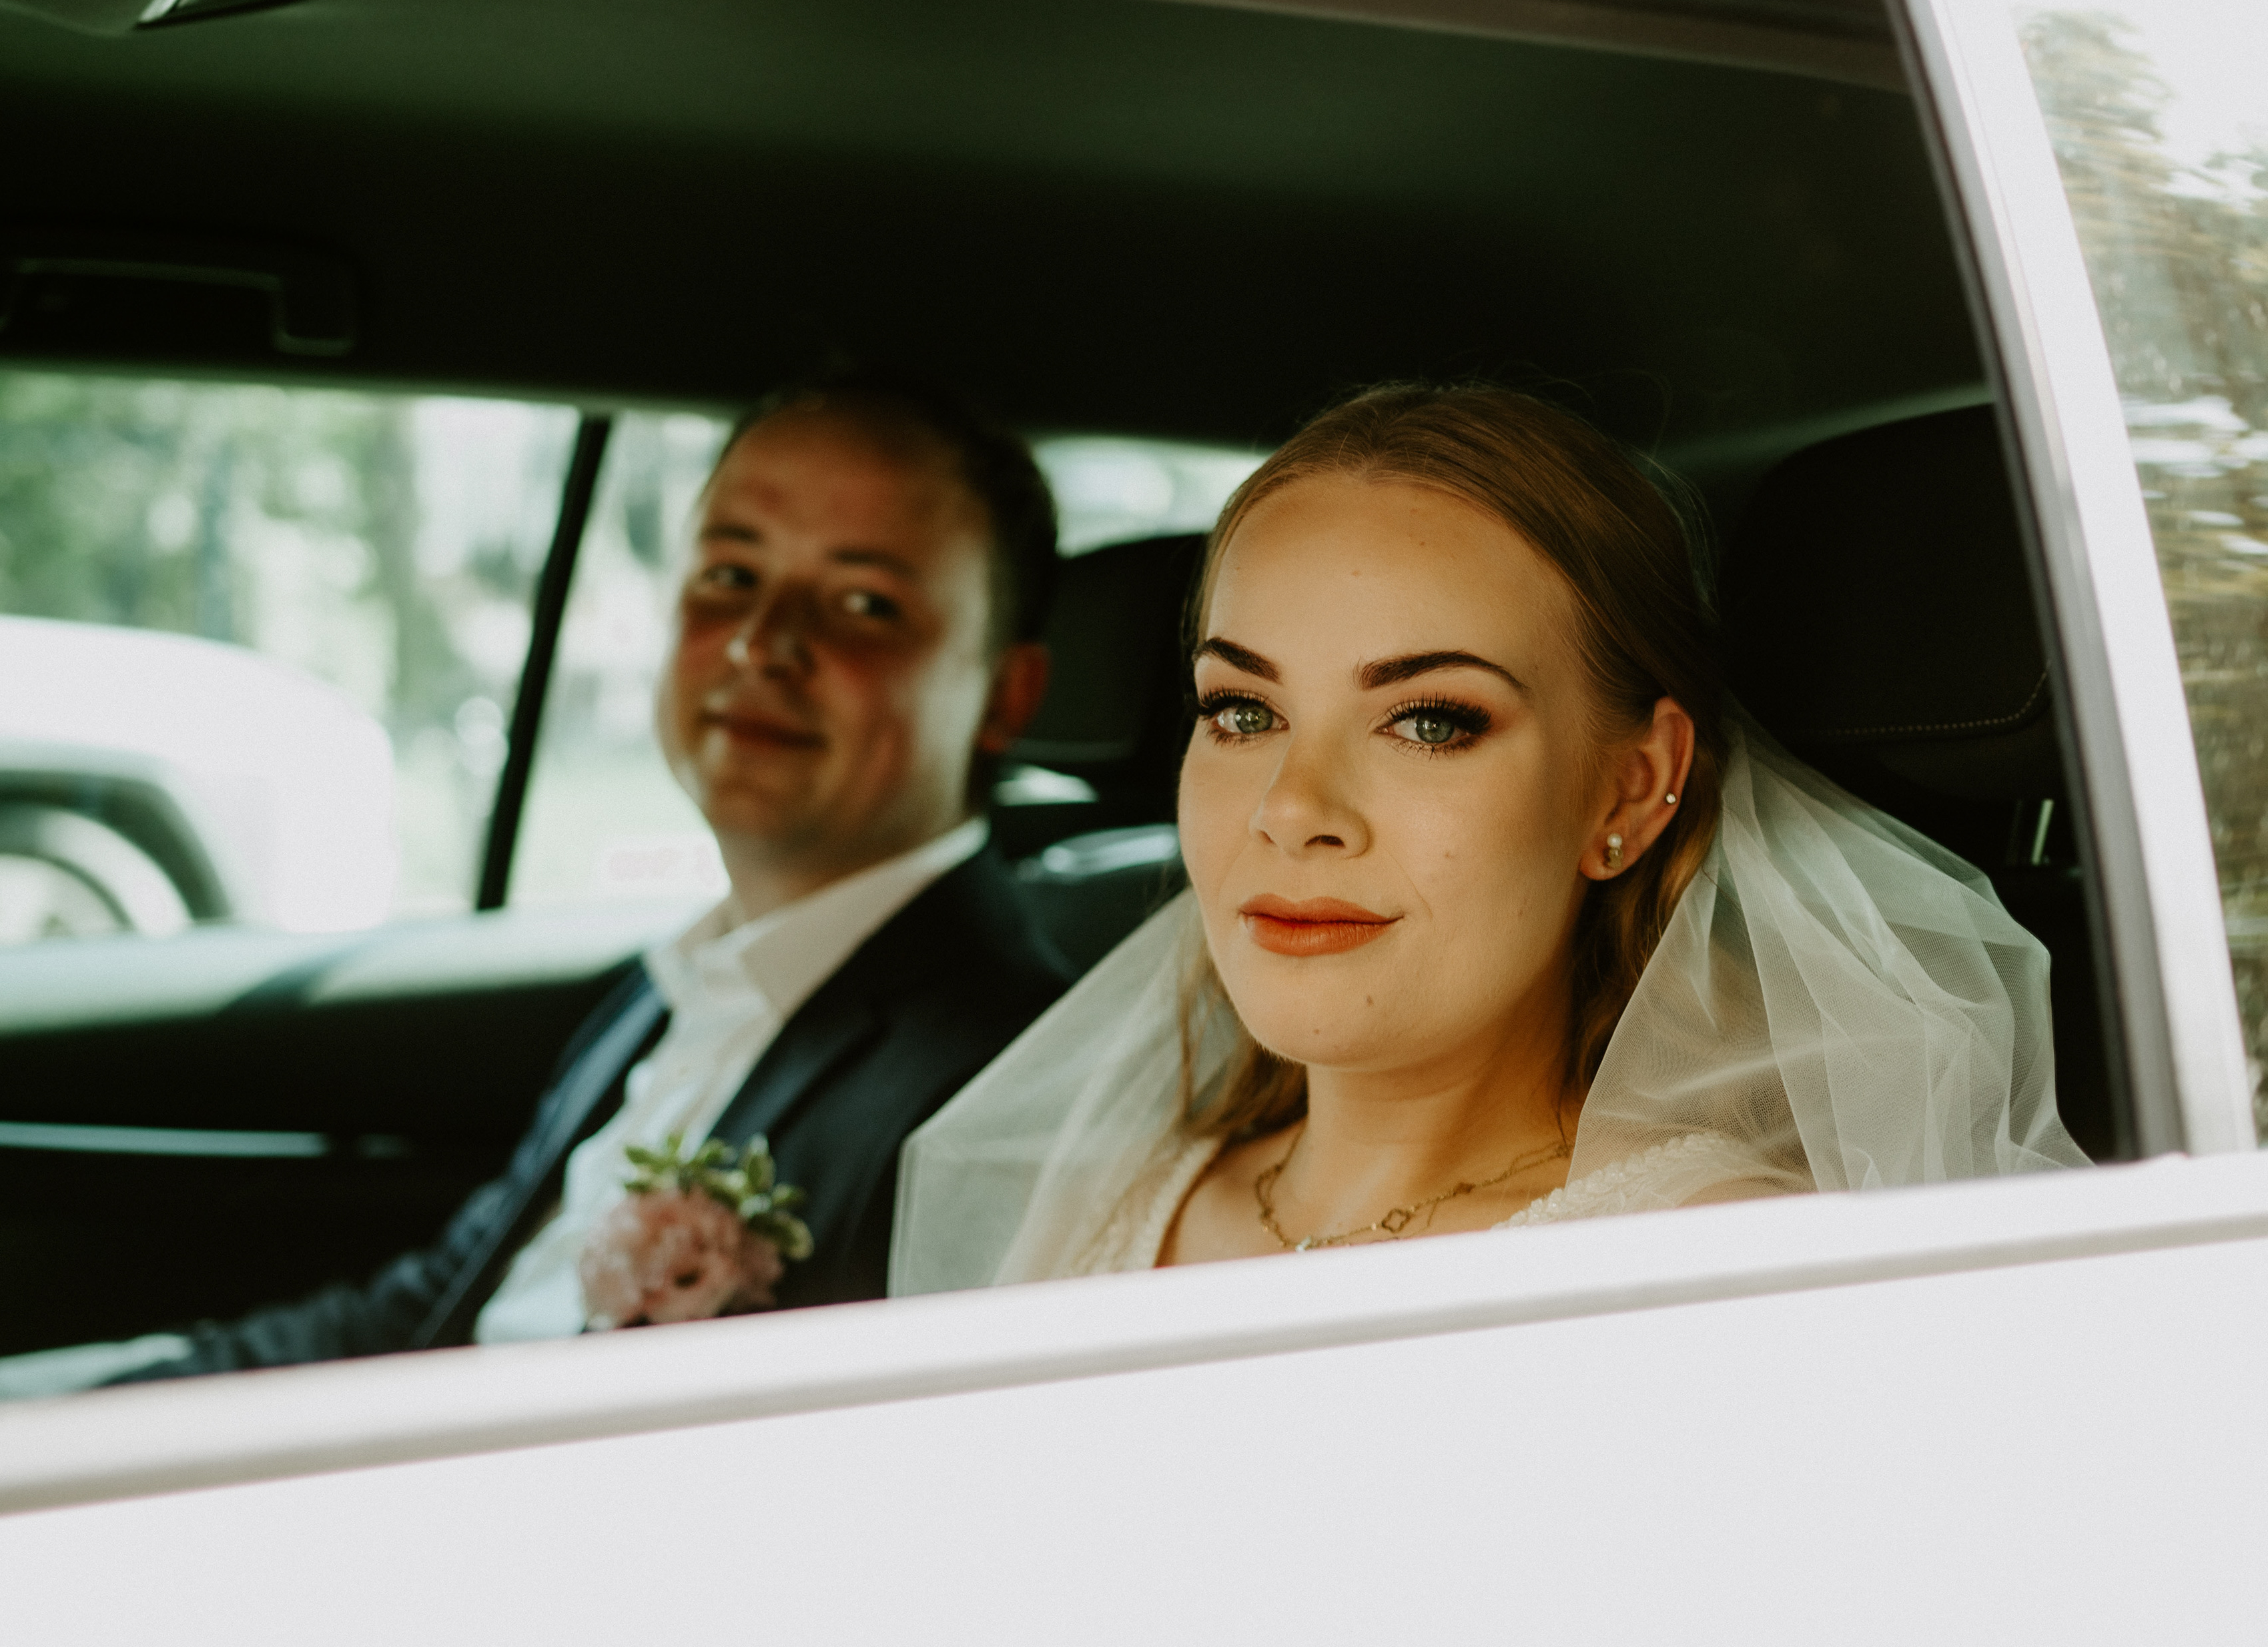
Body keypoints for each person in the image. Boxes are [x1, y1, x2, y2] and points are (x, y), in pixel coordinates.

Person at [0, 369, 1075, 1432]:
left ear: (1006, 692)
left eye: (864, 603)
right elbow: (428, 1313)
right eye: (730, 574)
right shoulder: (673, 985)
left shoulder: (1001, 1078)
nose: (764, 642)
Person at [892, 384, 2085, 1293]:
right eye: (1243, 712)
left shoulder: (1731, 1280)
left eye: (1429, 721)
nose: (1291, 808)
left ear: (1630, 792)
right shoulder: (1076, 1208)